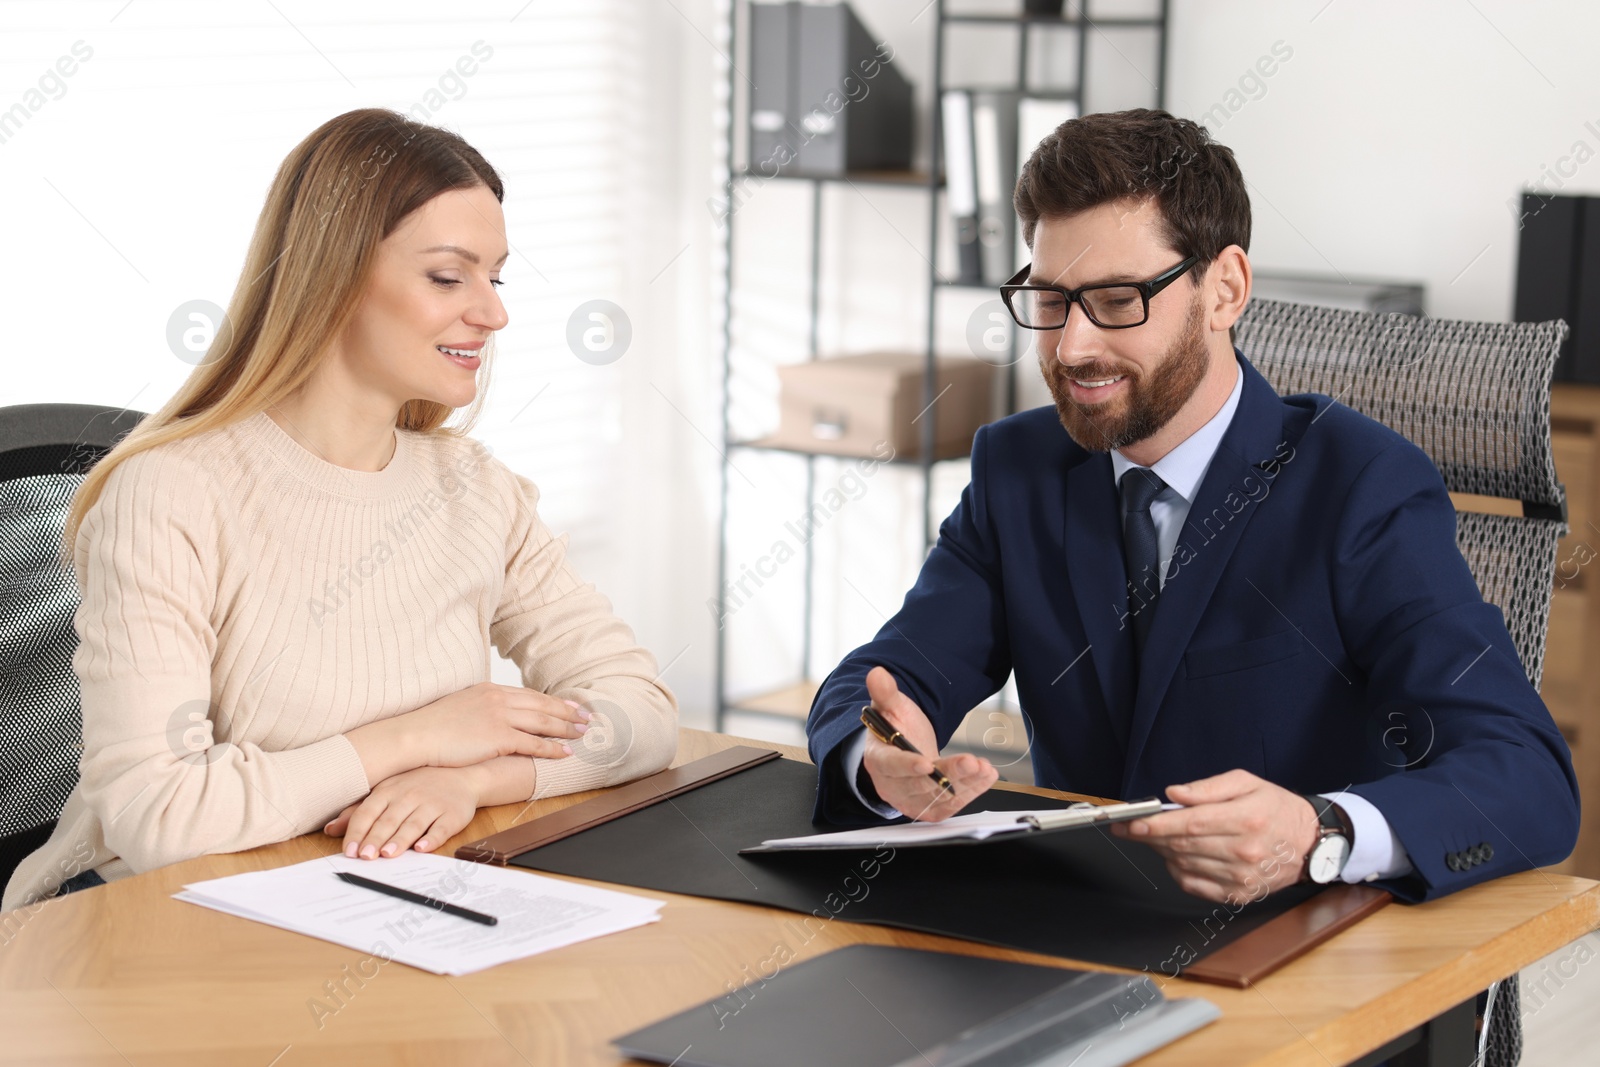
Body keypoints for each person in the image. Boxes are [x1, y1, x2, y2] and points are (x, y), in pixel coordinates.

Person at [806, 108, 1579, 905]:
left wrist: (1322, 833)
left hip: (1294, 951)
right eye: (1049, 300)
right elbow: (882, 684)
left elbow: (1526, 777)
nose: (1071, 346)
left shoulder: (1361, 487)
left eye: (1114, 300)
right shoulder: (1020, 471)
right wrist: (880, 755)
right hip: (1076, 940)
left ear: (1225, 290)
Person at [2, 108, 678, 912]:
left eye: (494, 278)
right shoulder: (170, 492)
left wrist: (468, 778)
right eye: (447, 276)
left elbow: (643, 717)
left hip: (372, 898)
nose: (493, 314)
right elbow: (157, 813)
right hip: (157, 923)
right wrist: (417, 736)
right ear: (336, 275)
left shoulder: (476, 489)